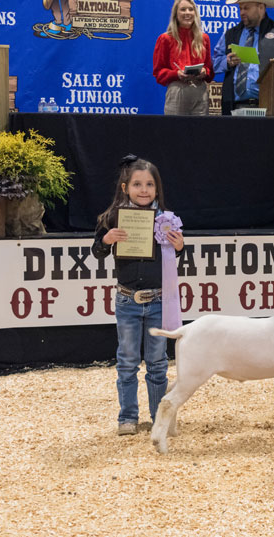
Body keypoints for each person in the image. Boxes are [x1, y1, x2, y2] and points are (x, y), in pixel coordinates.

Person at [91, 155, 185, 436]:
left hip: (157, 300)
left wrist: (180, 247)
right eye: (137, 184)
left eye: (149, 185)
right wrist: (105, 240)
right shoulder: (111, 219)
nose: (143, 190)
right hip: (127, 300)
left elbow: (177, 257)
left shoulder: (166, 220)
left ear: (157, 190)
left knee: (157, 363)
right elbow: (97, 252)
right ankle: (127, 417)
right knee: (127, 361)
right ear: (124, 188)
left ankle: (159, 417)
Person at [152, 0, 214, 115]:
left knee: (201, 132)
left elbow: (210, 71)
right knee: (176, 132)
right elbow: (158, 72)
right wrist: (176, 74)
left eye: (191, 9)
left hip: (200, 91)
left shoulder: (204, 38)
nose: (187, 13)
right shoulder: (165, 39)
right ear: (176, 14)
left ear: (195, 13)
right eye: (183, 9)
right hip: (177, 90)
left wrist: (204, 72)